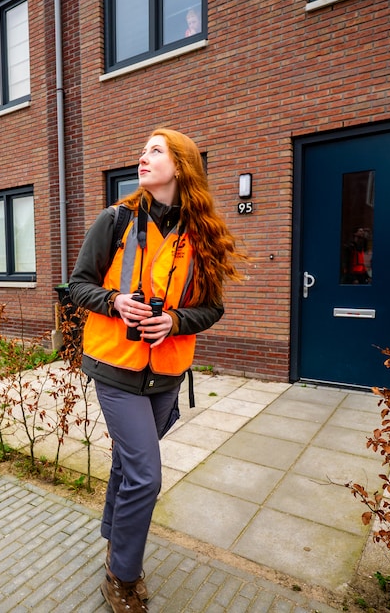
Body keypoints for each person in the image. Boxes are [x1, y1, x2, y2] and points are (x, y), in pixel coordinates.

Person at [68, 128, 244, 612]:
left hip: (166, 373)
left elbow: (212, 308)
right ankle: (122, 575)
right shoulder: (116, 220)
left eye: (155, 151)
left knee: (129, 464)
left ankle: (113, 535)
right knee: (145, 476)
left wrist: (175, 321)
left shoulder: (201, 234)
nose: (142, 158)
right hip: (115, 367)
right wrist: (114, 302)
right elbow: (78, 284)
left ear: (182, 166)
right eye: (142, 150)